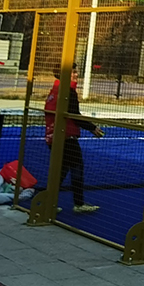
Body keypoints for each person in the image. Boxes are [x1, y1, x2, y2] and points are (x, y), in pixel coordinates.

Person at [44, 64, 104, 214]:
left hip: (53, 136)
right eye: (74, 72)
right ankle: (78, 203)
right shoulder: (67, 92)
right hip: (66, 137)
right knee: (76, 167)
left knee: (61, 170)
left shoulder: (55, 90)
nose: (77, 75)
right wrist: (92, 128)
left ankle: (48, 201)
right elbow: (74, 114)